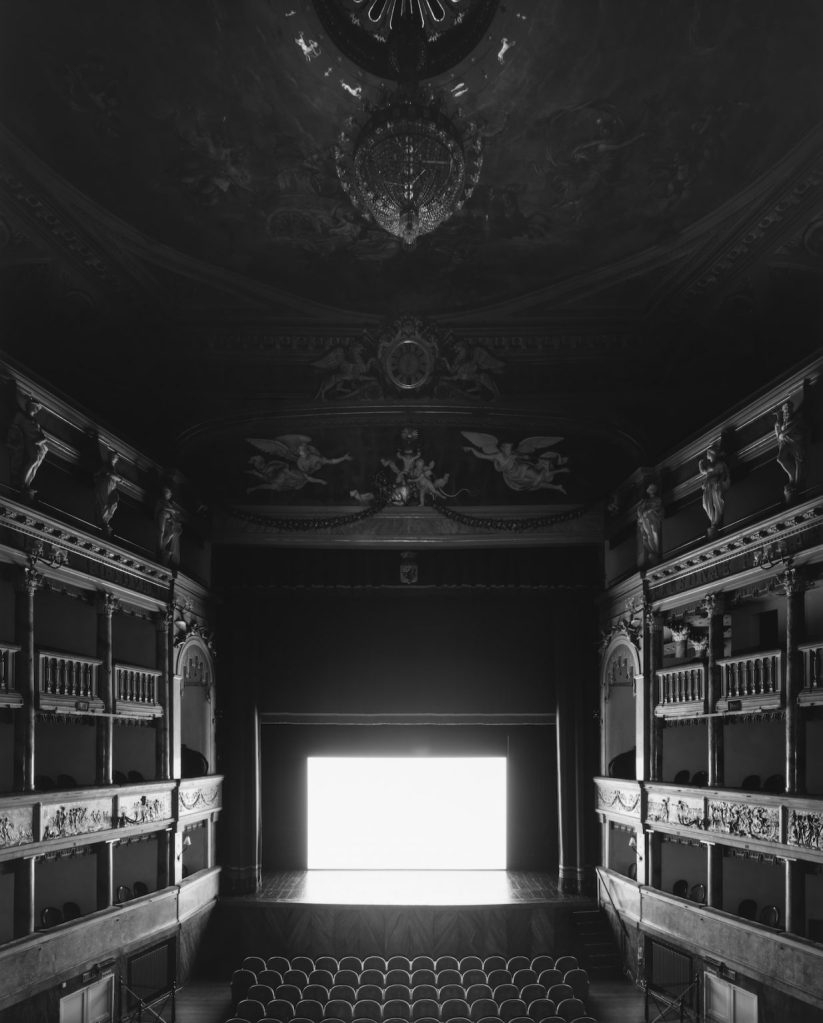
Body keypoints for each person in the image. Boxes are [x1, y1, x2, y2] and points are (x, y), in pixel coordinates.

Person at [774, 399, 805, 498]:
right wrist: (798, 455)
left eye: (785, 492)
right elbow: (799, 462)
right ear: (791, 490)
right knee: (784, 429)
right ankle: (784, 414)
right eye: (786, 492)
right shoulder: (797, 480)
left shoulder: (792, 478)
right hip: (795, 441)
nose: (784, 490)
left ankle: (780, 416)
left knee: (780, 429)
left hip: (788, 441)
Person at [698, 446, 730, 536]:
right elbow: (704, 471)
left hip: (715, 485)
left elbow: (723, 474)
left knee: (717, 502)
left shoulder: (719, 464)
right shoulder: (710, 465)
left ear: (712, 454)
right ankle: (713, 521)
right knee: (705, 504)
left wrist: (719, 482)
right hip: (708, 486)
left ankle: (716, 521)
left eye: (708, 454)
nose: (707, 456)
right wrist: (700, 464)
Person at [637, 482, 663, 562]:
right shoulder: (645, 501)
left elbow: (658, 509)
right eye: (650, 488)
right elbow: (640, 511)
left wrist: (649, 511)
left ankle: (655, 550)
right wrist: (642, 509)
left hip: (653, 520)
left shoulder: (657, 499)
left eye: (653, 489)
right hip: (645, 520)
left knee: (654, 533)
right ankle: (652, 550)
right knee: (648, 535)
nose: (652, 490)